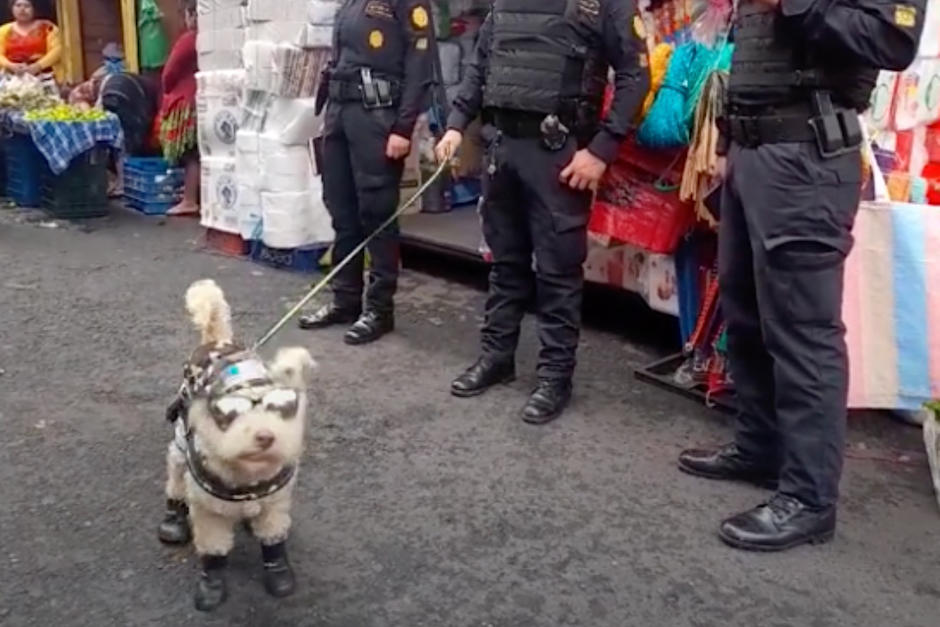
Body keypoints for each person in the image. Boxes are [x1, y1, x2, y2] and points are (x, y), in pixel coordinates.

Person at [677, 0, 925, 551]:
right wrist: (725, 140)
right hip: (752, 150)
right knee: (745, 314)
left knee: (803, 333)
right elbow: (755, 55)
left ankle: (811, 500)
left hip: (805, 156)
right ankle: (760, 447)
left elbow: (894, 43)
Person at [434, 0, 650, 424]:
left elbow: (635, 75)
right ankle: (497, 357)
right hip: (503, 147)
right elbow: (482, 62)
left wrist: (602, 150)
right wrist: (457, 124)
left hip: (560, 155)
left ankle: (555, 377)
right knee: (505, 263)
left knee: (557, 272)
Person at [296, 0, 434, 345]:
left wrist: (403, 127)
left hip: (377, 116)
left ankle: (379, 309)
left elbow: (420, 64)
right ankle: (345, 300)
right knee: (341, 210)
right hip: (341, 113)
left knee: (377, 214)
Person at [158, 0, 199, 217]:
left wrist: (165, 90)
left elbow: (169, 73)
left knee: (189, 153)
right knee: (199, 151)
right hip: (201, 97)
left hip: (185, 101)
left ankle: (189, 200)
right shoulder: (208, 40)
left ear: (191, 15)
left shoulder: (188, 40)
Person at [0, 0, 61, 84]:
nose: (22, 9)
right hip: (12, 77)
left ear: (35, 9)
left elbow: (57, 50)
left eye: (27, 6)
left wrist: (37, 66)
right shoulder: (4, 30)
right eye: (18, 5)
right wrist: (11, 66)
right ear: (12, 8)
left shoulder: (48, 27)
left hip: (44, 75)